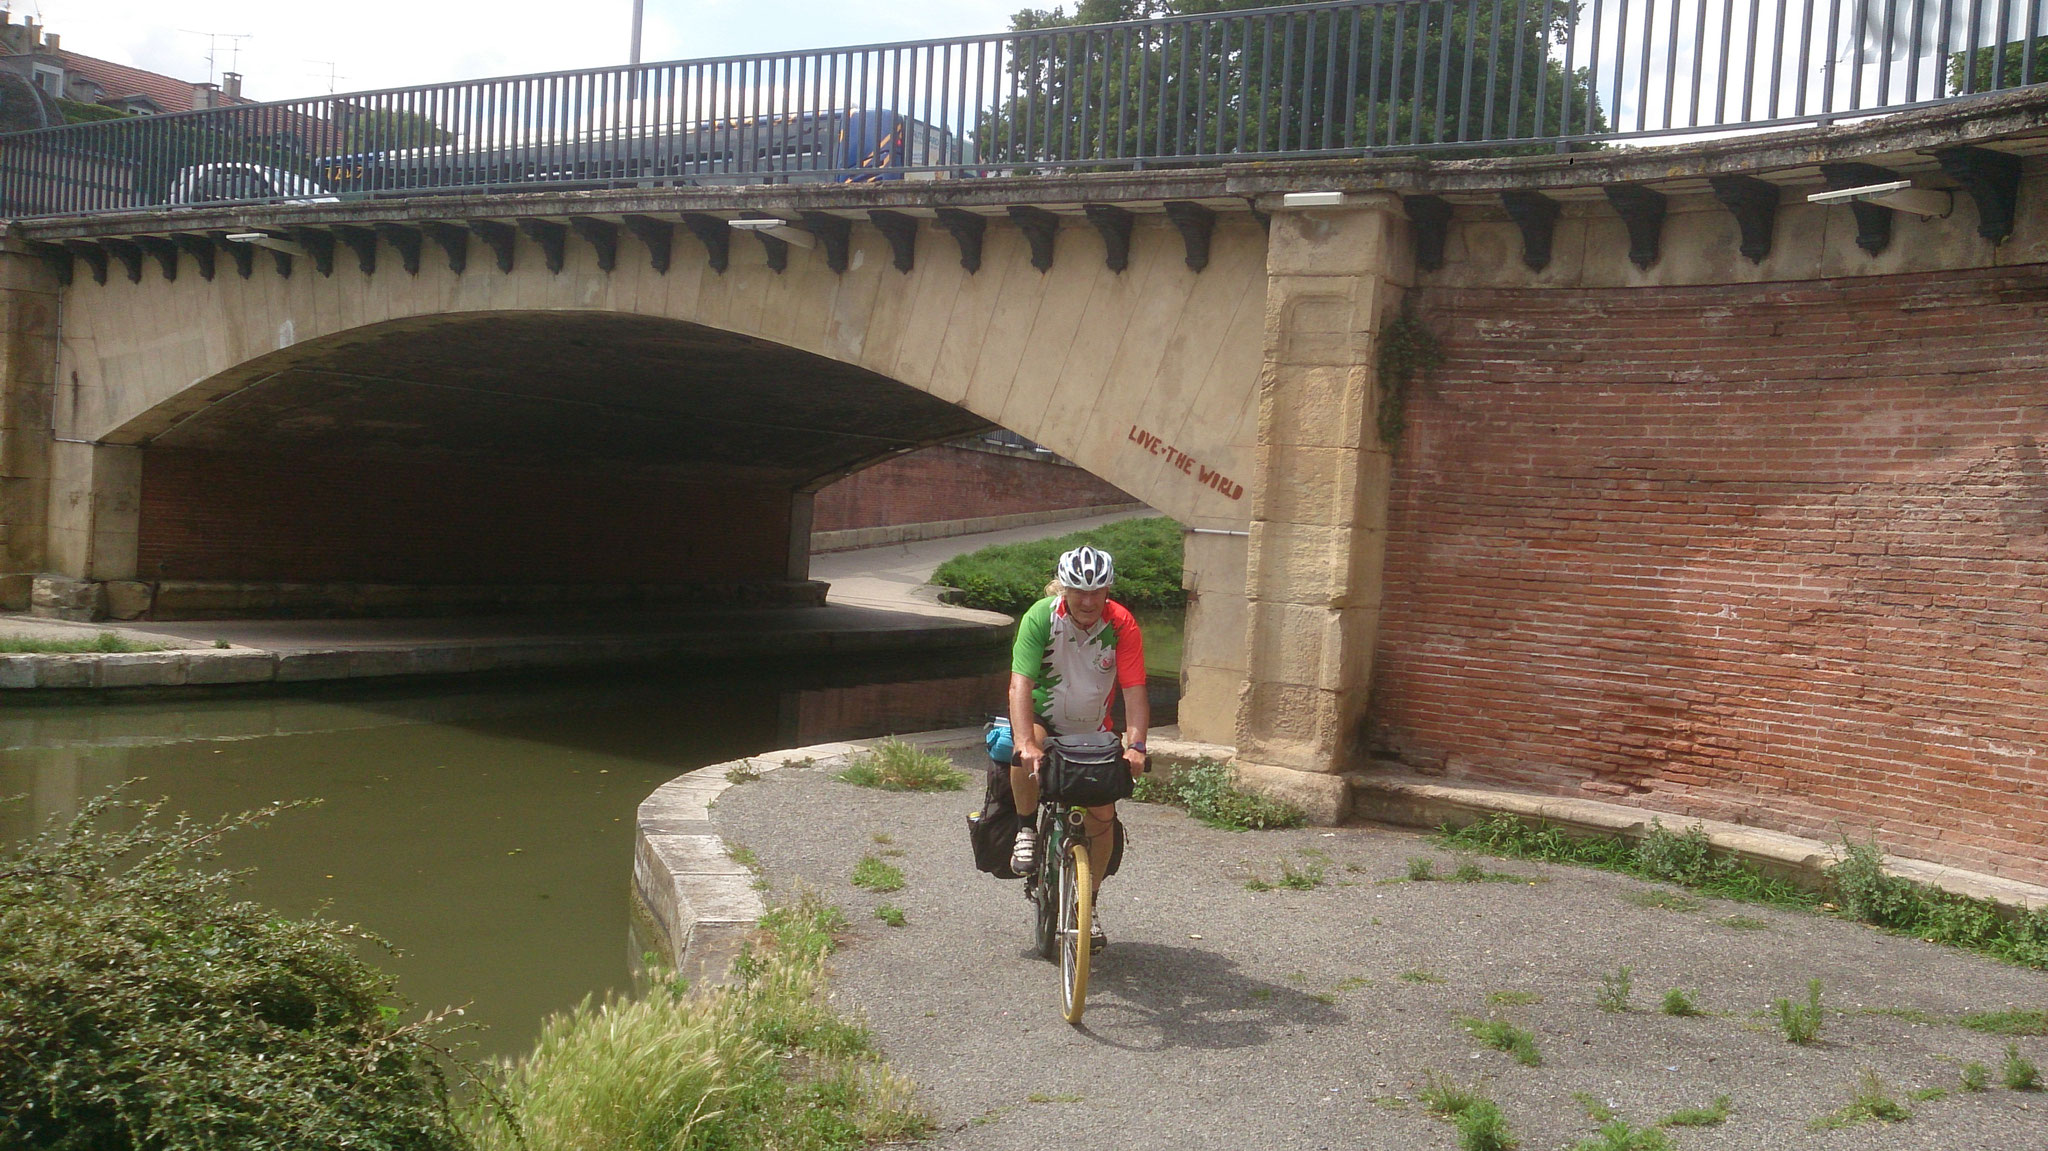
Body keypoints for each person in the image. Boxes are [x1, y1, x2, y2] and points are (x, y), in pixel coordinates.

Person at [1007, 544, 1149, 951]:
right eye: (1078, 591)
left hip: (1093, 726)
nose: (1088, 601)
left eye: (1097, 591)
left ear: (1107, 590)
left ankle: (1087, 905)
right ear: (1064, 589)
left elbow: (1134, 689)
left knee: (1103, 813)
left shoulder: (1122, 624)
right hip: (1043, 717)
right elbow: (1021, 684)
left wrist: (1135, 744)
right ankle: (1025, 830)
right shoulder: (1041, 617)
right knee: (1024, 747)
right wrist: (1024, 743)